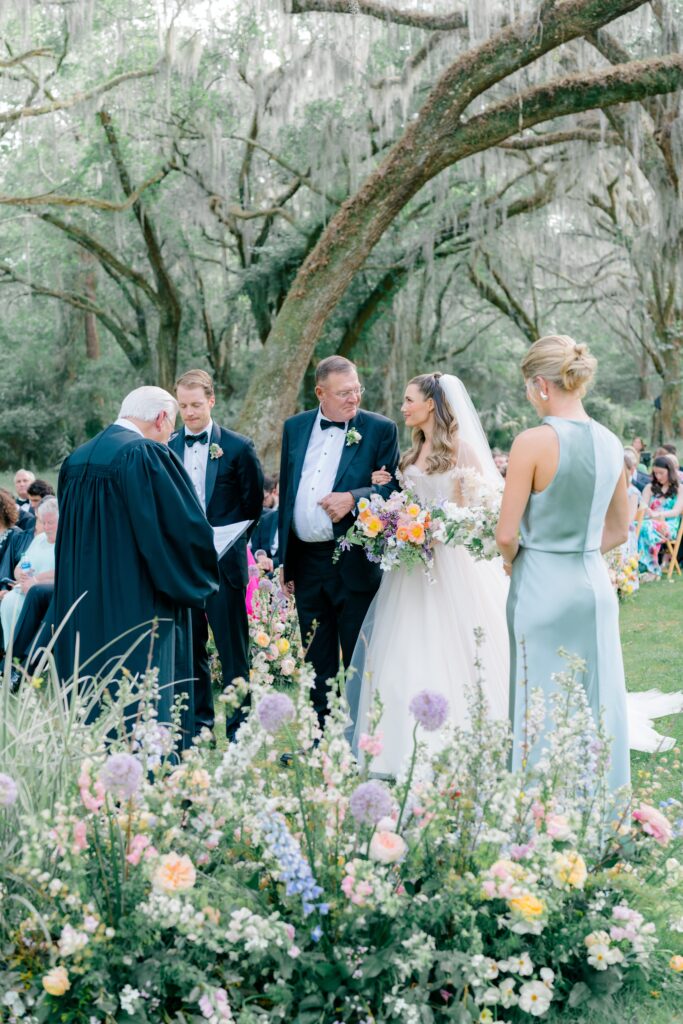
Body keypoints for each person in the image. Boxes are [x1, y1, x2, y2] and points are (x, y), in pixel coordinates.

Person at [348, 374, 509, 777]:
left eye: (409, 400)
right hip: (410, 567)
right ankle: (395, 743)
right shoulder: (410, 454)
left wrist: (439, 528)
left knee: (455, 643)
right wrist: (394, 510)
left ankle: (463, 735)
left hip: (452, 564)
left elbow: (485, 509)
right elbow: (407, 502)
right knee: (404, 645)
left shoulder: (463, 451)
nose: (402, 407)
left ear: (431, 405)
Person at [496, 335, 631, 793]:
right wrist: (583, 553)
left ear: (541, 385)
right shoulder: (612, 443)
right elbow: (620, 530)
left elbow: (506, 533)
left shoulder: (531, 442)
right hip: (592, 584)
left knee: (539, 698)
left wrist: (514, 562)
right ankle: (598, 803)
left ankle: (539, 809)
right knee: (594, 699)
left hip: (540, 584)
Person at [53, 386, 220, 743]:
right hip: (137, 603)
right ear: (161, 418)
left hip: (82, 604)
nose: (170, 435)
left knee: (92, 688)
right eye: (171, 426)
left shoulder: (77, 459)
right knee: (140, 692)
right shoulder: (143, 454)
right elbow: (182, 530)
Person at [279, 355, 400, 730]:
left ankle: (363, 738)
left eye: (357, 390)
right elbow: (287, 493)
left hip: (354, 559)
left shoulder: (380, 429)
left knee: (360, 655)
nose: (353, 399)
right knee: (316, 656)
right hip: (307, 560)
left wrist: (354, 496)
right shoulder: (295, 428)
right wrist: (287, 559)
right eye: (344, 393)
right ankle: (321, 736)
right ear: (321, 393)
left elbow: (393, 490)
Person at [170, 369, 264, 741]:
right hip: (183, 567)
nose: (189, 413)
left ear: (211, 401)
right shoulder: (168, 446)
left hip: (225, 566)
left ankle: (240, 726)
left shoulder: (238, 447)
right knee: (191, 648)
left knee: (232, 650)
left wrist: (232, 544)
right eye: (182, 406)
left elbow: (253, 504)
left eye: (195, 405)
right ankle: (200, 723)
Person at [1, 498, 58, 651]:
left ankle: (20, 658)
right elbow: (19, 567)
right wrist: (21, 575)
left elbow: (62, 571)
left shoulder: (65, 542)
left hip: (43, 596)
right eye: (42, 522)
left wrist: (36, 580)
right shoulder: (39, 539)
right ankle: (8, 656)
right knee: (8, 601)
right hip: (23, 590)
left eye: (50, 523)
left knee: (17, 606)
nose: (46, 527)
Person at [637, 456, 683, 580]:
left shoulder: (680, 489)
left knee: (646, 527)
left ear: (670, 471)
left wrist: (659, 515)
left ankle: (652, 570)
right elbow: (643, 506)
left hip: (669, 525)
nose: (658, 476)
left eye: (661, 473)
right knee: (634, 526)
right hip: (650, 520)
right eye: (655, 473)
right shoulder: (649, 488)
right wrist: (649, 512)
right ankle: (636, 566)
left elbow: (677, 511)